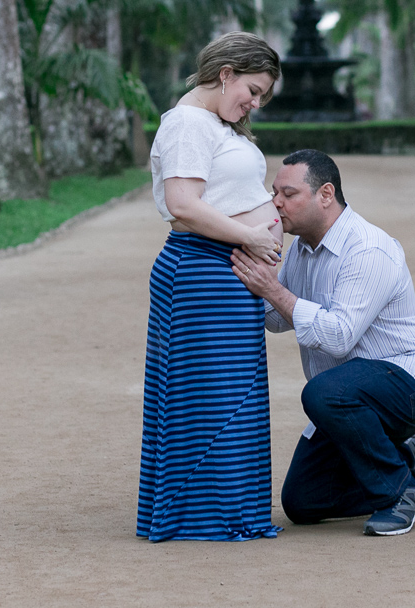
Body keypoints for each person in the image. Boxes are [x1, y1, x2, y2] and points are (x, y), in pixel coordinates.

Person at [232, 149, 415, 536]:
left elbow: (337, 336)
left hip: (410, 382)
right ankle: (409, 463)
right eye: (274, 193)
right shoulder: (301, 248)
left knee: (323, 393)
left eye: (288, 193)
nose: (275, 203)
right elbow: (282, 316)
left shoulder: (367, 248)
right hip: (348, 394)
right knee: (302, 502)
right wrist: (246, 283)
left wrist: (272, 289)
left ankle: (401, 491)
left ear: (326, 194)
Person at [137, 32, 285, 542]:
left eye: (262, 94)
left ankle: (233, 512)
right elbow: (182, 203)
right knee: (209, 397)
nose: (254, 102)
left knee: (234, 397)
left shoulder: (216, 125)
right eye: (253, 88)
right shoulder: (186, 124)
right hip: (201, 272)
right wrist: (250, 235)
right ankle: (201, 517)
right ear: (226, 74)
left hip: (229, 273)